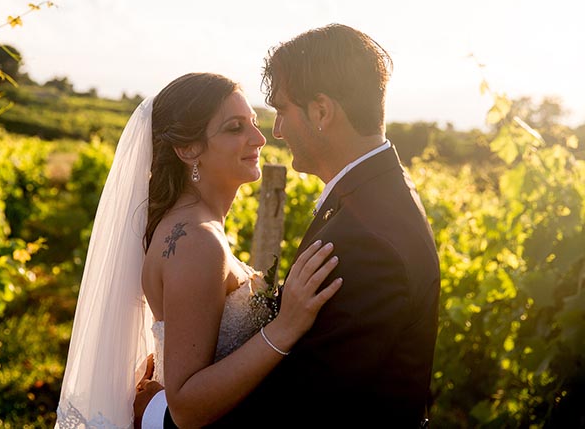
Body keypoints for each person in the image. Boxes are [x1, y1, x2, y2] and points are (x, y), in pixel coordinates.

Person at [143, 24, 441, 428]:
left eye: (281, 110)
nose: (273, 133)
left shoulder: (367, 238)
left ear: (321, 111)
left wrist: (157, 414)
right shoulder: (373, 197)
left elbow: (301, 406)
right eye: (237, 126)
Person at [55, 73, 343, 429]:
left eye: (253, 123)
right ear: (188, 149)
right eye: (235, 128)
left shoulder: (194, 229)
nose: (259, 138)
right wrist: (284, 329)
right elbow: (186, 406)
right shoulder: (196, 241)